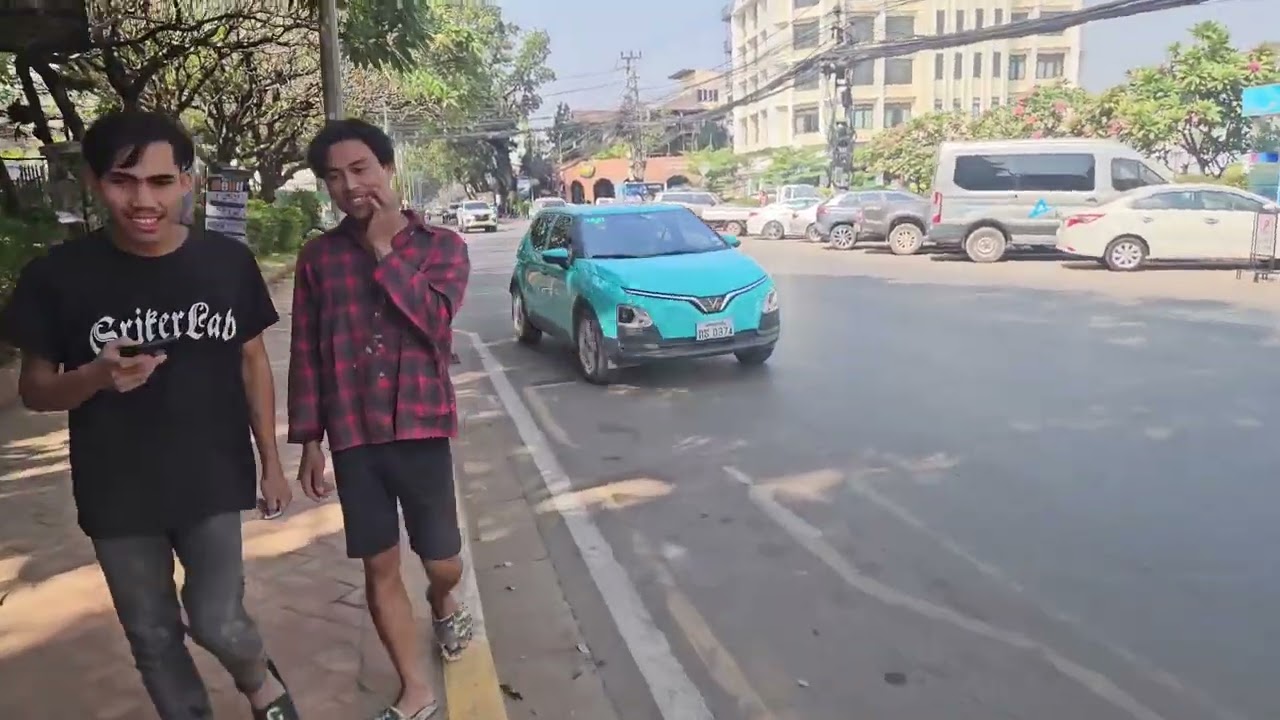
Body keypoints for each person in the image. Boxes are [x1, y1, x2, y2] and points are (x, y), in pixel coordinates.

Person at [0, 111, 297, 720]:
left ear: (188, 181)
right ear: (92, 180)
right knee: (153, 634)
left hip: (212, 473)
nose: (142, 200)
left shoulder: (225, 264)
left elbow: (252, 363)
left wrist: (271, 459)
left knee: (218, 619)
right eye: (123, 180)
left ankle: (259, 682)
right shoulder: (56, 278)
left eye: (161, 182)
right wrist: (94, 376)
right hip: (116, 487)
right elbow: (34, 390)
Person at [289, 118, 472, 720]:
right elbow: (307, 350)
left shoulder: (442, 247)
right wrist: (309, 440)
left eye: (361, 169)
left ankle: (443, 601)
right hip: (352, 434)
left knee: (442, 561)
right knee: (378, 561)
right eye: (334, 177)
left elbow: (434, 325)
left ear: (388, 169)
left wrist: (385, 249)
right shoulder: (317, 258)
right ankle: (414, 687)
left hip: (420, 427)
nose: (349, 186)